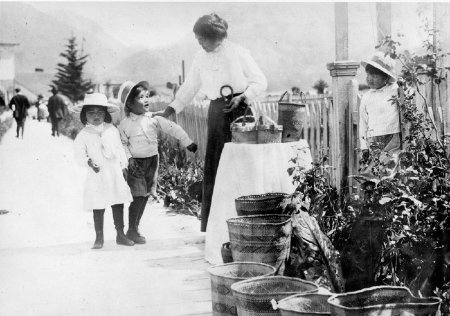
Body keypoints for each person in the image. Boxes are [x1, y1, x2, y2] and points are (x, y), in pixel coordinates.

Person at [155, 13, 267, 232]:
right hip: (217, 114)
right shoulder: (200, 58)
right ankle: (219, 227)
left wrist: (243, 97)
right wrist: (170, 110)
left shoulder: (238, 53)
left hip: (240, 112)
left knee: (243, 167)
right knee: (218, 166)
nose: (200, 43)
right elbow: (189, 88)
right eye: (197, 39)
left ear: (216, 35)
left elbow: (260, 81)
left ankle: (248, 224)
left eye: (202, 39)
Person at [118, 80, 198, 244]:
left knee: (146, 194)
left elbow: (173, 128)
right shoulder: (124, 125)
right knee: (138, 196)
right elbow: (123, 144)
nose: (146, 100)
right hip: (136, 164)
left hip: (152, 162)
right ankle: (131, 230)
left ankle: (135, 228)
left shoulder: (154, 119)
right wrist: (128, 159)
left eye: (147, 96)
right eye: (141, 97)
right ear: (130, 104)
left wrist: (187, 142)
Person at [73, 93, 135, 249]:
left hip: (113, 172)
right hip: (97, 174)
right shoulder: (83, 135)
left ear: (106, 114)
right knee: (98, 204)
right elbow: (80, 155)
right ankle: (99, 237)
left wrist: (123, 166)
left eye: (100, 112)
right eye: (91, 112)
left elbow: (119, 149)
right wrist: (89, 162)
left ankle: (120, 234)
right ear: (84, 115)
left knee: (117, 202)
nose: (96, 116)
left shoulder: (111, 130)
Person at [359, 52, 401, 178]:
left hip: (391, 137)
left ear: (386, 78)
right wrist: (363, 146)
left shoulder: (394, 91)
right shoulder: (366, 97)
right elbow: (363, 122)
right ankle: (374, 195)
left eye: (375, 75)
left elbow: (409, 92)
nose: (369, 78)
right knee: (373, 172)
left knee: (388, 171)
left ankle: (388, 195)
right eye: (368, 74)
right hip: (373, 139)